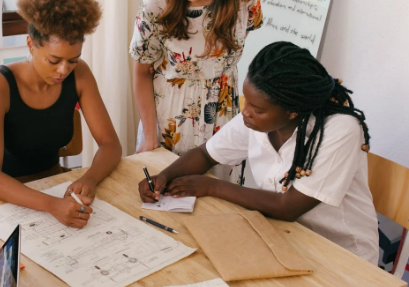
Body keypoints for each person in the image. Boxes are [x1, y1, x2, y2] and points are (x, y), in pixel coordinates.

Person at [138, 42, 380, 264]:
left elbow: (288, 207)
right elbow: (205, 155)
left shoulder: (339, 129)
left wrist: (212, 186)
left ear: (292, 111)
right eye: (248, 102)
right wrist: (164, 177)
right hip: (284, 238)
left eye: (257, 108)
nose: (245, 112)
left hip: (341, 255)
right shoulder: (257, 119)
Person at [0, 0, 123, 228]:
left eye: (72, 61)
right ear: (31, 45)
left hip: (53, 185)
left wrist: (90, 179)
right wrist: (52, 205)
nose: (63, 70)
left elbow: (110, 144)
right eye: (54, 61)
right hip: (2, 196)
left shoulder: (80, 74)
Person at [130, 0, 263, 181]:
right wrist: (149, 136)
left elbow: (241, 37)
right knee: (166, 194)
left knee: (220, 201)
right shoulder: (155, 7)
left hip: (224, 115)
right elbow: (141, 74)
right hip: (171, 118)